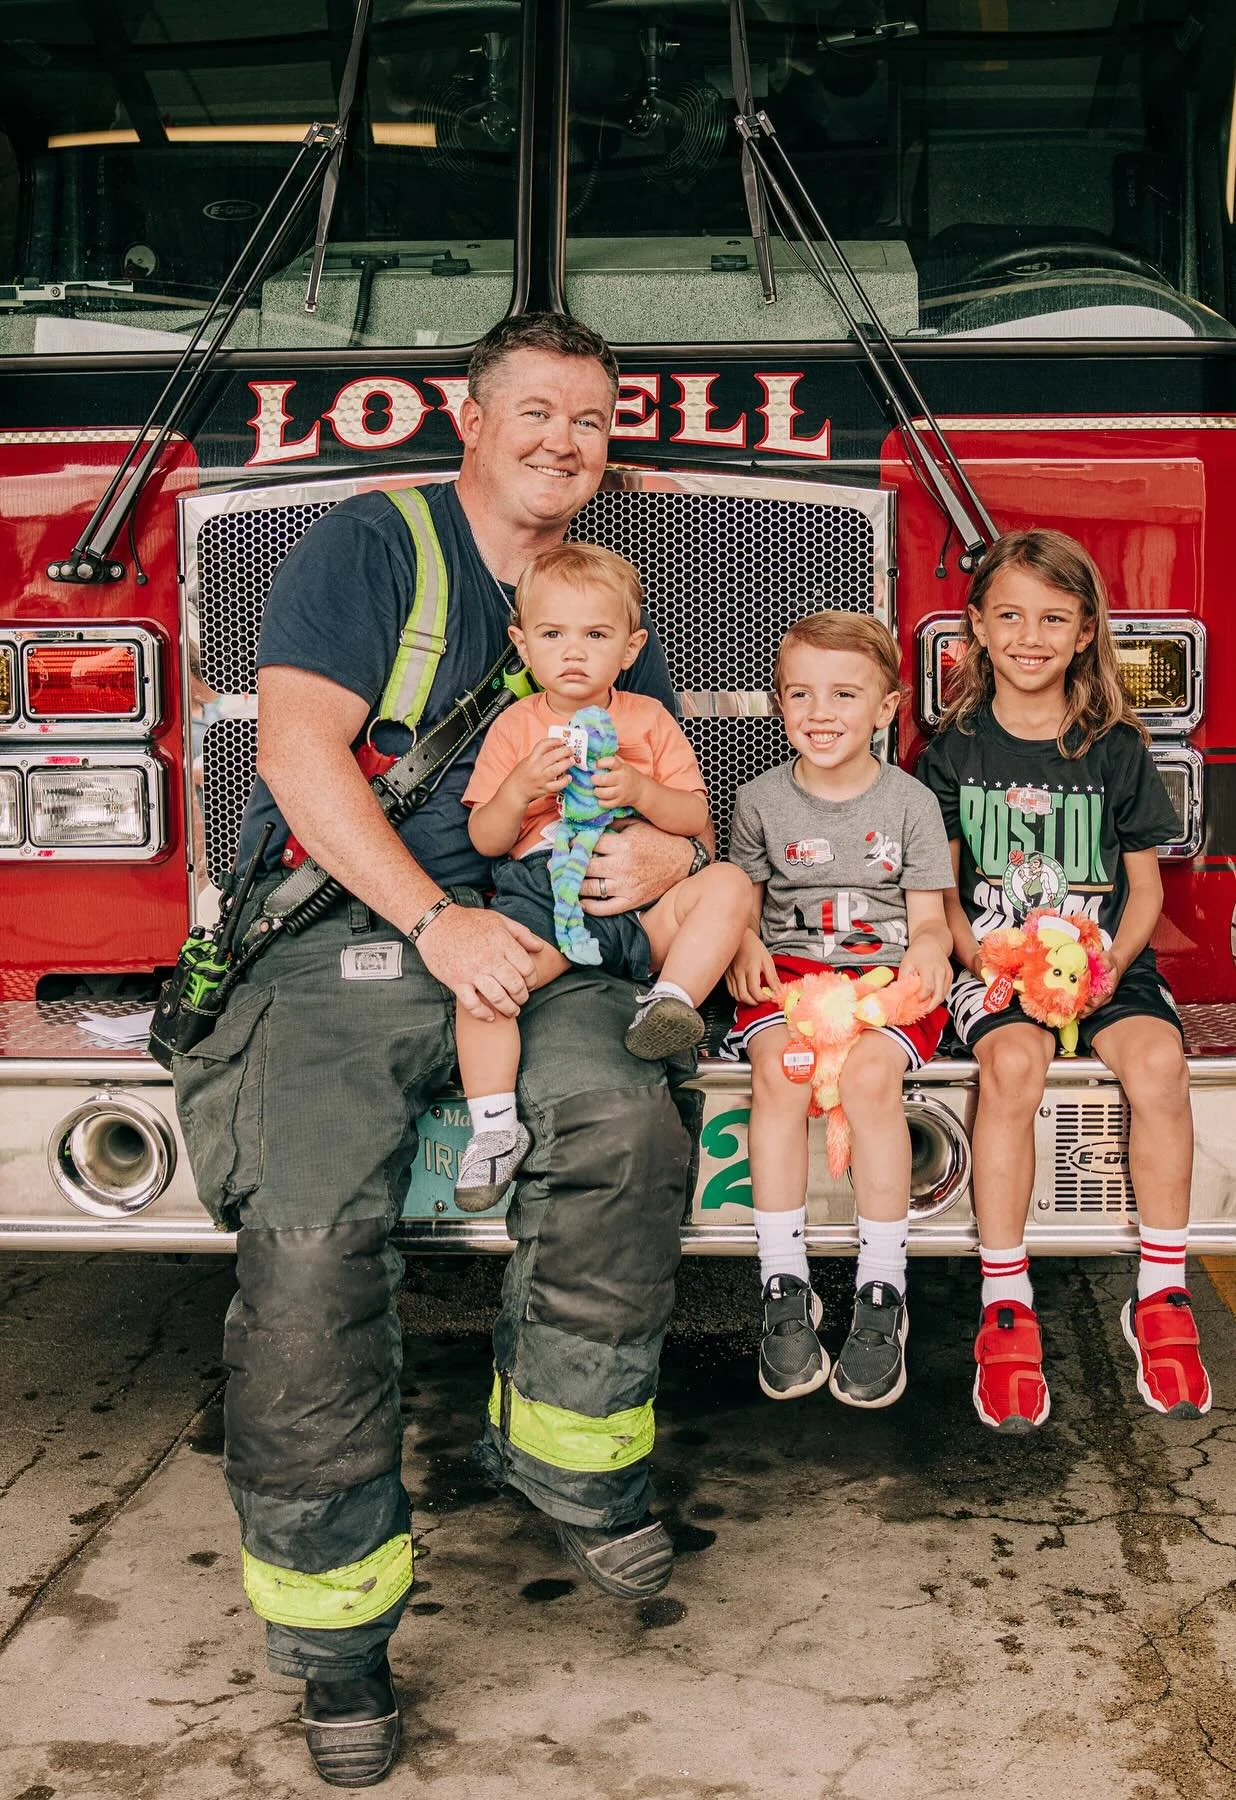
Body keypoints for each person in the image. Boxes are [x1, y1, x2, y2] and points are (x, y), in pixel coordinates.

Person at [172, 313, 708, 1790]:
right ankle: (334, 1631)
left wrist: (670, 861)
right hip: (354, 931)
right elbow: (296, 756)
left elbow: (664, 790)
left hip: (541, 937)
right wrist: (433, 919)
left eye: (590, 420)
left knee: (627, 1125)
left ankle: (571, 1452)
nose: (564, 441)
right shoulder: (371, 546)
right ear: (470, 420)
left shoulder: (597, 598)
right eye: (536, 411)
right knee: (305, 1247)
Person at [915, 527, 1211, 1434]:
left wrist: (1108, 966)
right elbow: (943, 895)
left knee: (1159, 1065)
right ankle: (1006, 1300)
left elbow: (1146, 890)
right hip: (994, 969)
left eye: (1053, 619)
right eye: (1009, 616)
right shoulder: (950, 754)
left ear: (1086, 632)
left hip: (1106, 968)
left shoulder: (1116, 749)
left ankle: (1161, 1293)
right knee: (1010, 1067)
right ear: (975, 627)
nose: (1029, 637)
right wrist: (984, 963)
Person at [456, 540, 753, 1193]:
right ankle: (495, 1129)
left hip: (644, 904)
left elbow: (693, 815)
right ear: (522, 645)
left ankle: (670, 1002)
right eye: (552, 634)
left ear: (629, 648)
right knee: (483, 985)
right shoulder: (515, 728)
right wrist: (519, 790)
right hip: (546, 898)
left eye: (595, 635)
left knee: (730, 883)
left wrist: (642, 791)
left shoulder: (648, 719)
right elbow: (486, 838)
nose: (573, 652)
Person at [725, 612, 954, 1409]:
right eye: (800, 694)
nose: (819, 713)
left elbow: (929, 922)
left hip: (885, 983)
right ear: (779, 704)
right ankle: (784, 1286)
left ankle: (882, 1292)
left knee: (868, 1081)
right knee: (780, 1078)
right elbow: (743, 907)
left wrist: (930, 953)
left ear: (887, 707)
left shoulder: (912, 804)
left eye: (844, 695)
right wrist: (743, 945)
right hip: (791, 979)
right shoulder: (758, 802)